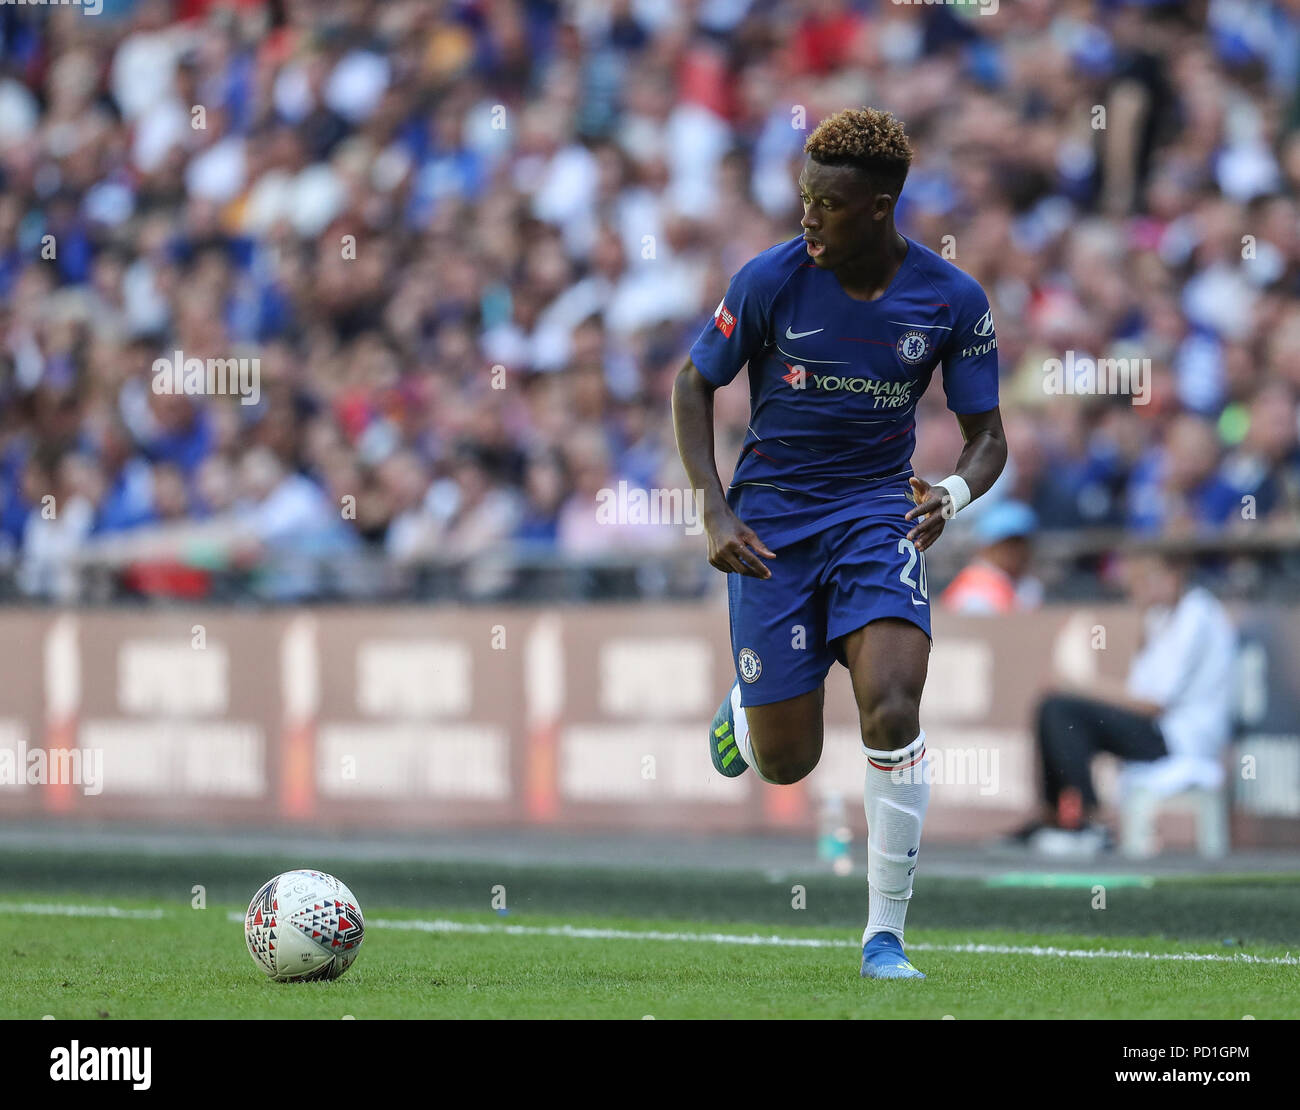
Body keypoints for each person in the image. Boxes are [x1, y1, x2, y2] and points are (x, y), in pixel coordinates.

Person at [672, 108, 1006, 981]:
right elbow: (691, 383)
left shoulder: (950, 298)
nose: (807, 216)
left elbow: (989, 437)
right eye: (803, 197)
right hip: (772, 525)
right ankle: (750, 708)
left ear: (880, 205)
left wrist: (955, 492)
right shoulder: (767, 281)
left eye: (826, 202)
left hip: (873, 516)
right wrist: (712, 508)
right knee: (787, 765)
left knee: (893, 708)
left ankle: (884, 938)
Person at [1012, 550, 1237, 854]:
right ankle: (1054, 817)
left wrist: (1082, 684)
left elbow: (1153, 704)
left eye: (1144, 581)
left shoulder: (1197, 615)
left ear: (1172, 577)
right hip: (1160, 730)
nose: (1136, 590)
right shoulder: (1162, 617)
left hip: (1181, 739)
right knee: (1051, 707)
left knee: (1061, 709)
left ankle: (1088, 823)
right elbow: (1140, 691)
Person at [940, 501, 1043, 615]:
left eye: (1022, 544)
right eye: (1008, 544)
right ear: (987, 547)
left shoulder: (1028, 585)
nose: (1017, 552)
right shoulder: (972, 589)